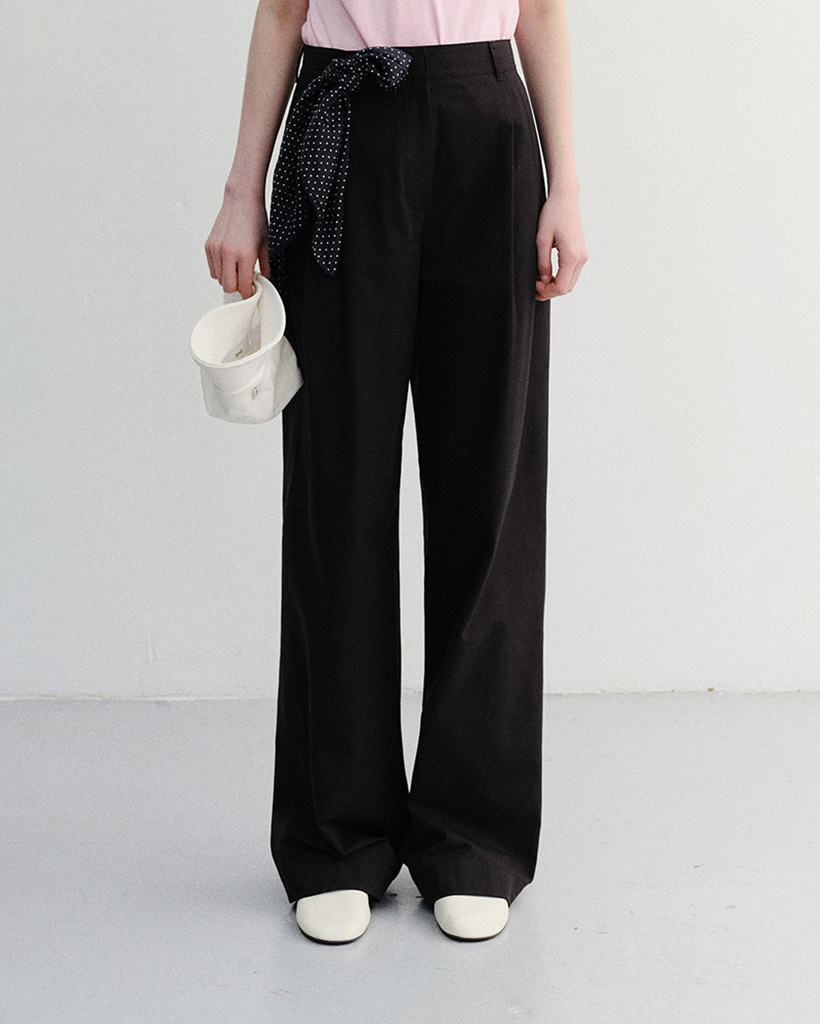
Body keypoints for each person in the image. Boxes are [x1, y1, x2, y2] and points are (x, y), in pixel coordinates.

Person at [205, 0, 587, 944]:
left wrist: (569, 184)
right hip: (346, 125)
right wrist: (242, 190)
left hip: (488, 131)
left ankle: (473, 837)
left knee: (488, 489)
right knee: (337, 492)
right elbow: (283, 10)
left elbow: (540, 8)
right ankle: (337, 838)